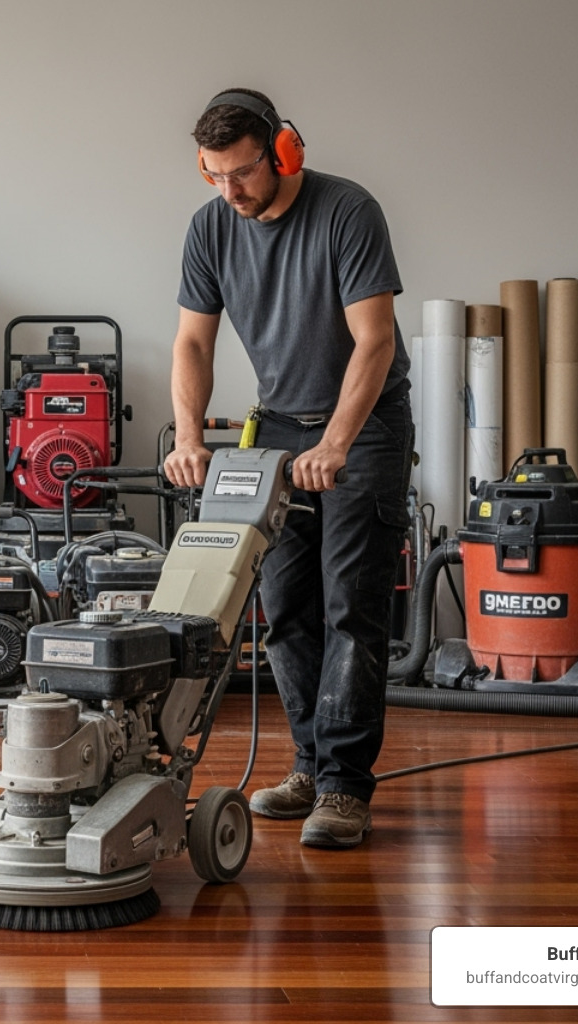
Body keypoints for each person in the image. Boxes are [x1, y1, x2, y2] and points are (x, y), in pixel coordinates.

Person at [162, 88, 413, 848]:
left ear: (283, 151)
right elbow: (193, 342)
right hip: (275, 427)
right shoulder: (210, 228)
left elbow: (375, 341)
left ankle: (344, 786)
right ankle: (308, 764)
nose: (230, 191)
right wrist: (187, 438)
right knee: (283, 607)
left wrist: (335, 443)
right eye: (214, 175)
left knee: (351, 608)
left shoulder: (347, 212)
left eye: (242, 172)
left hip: (362, 425)